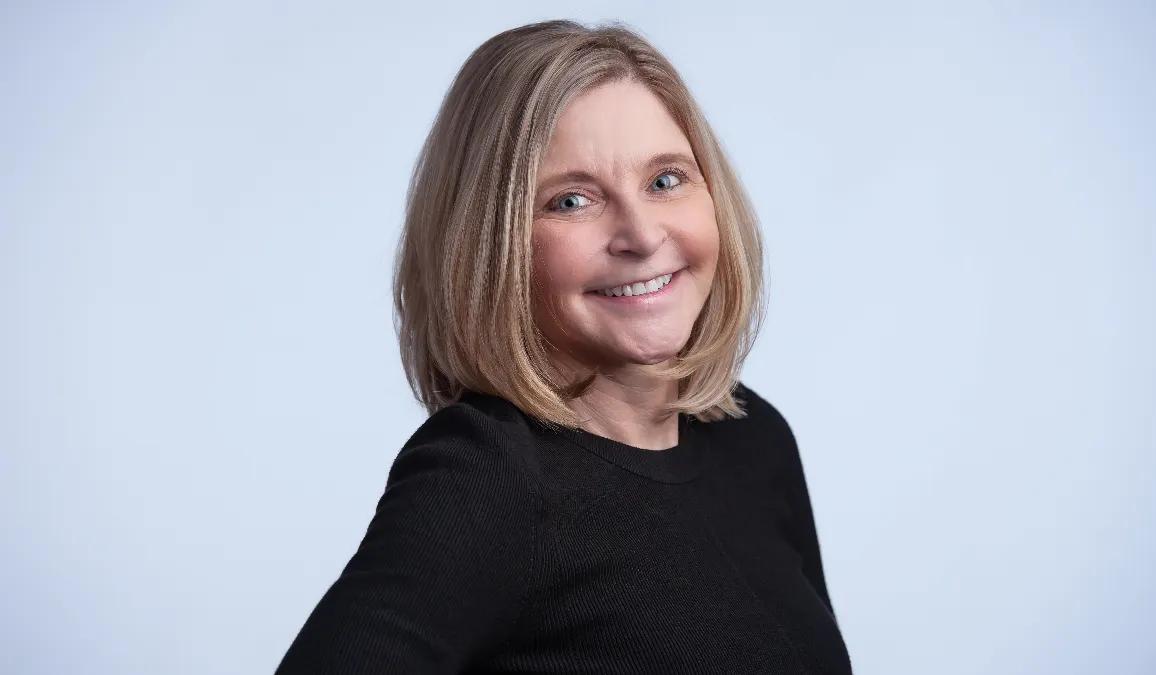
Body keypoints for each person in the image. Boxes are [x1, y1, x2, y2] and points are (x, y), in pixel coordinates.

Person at [276, 19, 852, 674]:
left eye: (665, 180)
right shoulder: (485, 476)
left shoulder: (755, 436)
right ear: (491, 243)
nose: (639, 234)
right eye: (571, 200)